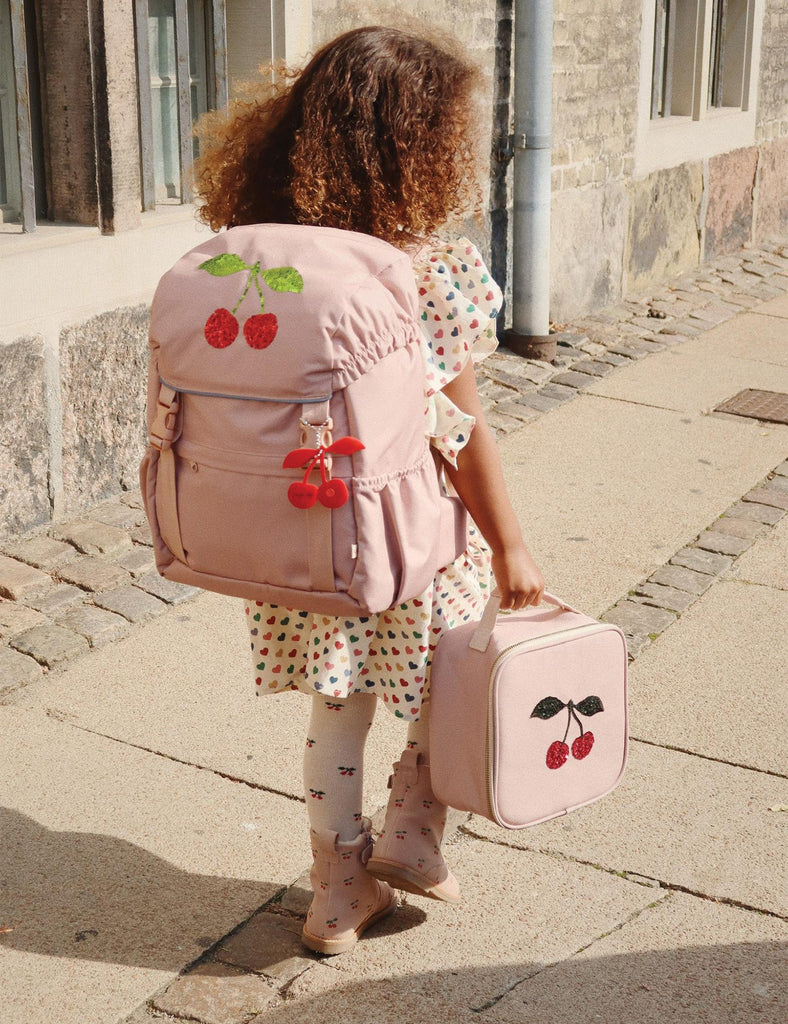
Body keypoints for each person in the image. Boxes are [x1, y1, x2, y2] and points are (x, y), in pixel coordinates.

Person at [194, 25, 544, 955]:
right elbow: (461, 429)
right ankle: (414, 831)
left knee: (337, 708)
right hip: (409, 537)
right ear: (420, 148)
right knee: (451, 677)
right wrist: (510, 544)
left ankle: (338, 894)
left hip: (301, 534)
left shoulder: (255, 258)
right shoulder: (425, 268)